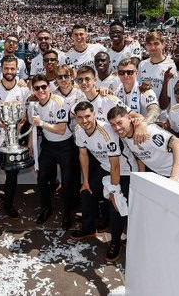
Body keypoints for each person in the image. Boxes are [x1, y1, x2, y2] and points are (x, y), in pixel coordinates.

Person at [71, 101, 137, 261]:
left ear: (94, 114)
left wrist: (114, 192)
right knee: (87, 192)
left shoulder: (107, 131)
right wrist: (85, 181)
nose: (84, 121)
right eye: (80, 117)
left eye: (88, 116)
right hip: (105, 168)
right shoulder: (79, 129)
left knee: (116, 206)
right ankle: (88, 229)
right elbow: (83, 155)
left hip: (124, 171)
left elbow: (115, 165)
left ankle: (115, 243)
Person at [0, 57, 31, 219]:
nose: (9, 72)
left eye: (12, 69)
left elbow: (26, 114)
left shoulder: (24, 90)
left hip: (14, 137)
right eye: (6, 68)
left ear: (17, 69)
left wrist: (17, 126)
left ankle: (8, 204)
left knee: (12, 173)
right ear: (1, 69)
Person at [27, 74, 76, 228]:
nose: (41, 90)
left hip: (66, 145)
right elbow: (32, 126)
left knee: (67, 182)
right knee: (42, 179)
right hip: (48, 145)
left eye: (44, 87)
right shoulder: (34, 104)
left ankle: (67, 214)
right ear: (33, 90)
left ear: (49, 87)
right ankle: (46, 208)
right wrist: (30, 143)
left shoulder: (59, 102)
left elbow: (61, 130)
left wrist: (42, 123)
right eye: (37, 88)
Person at [108, 105, 179, 183]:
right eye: (113, 125)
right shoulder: (124, 135)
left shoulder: (149, 132)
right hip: (161, 172)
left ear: (129, 118)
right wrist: (141, 175)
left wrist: (174, 177)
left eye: (120, 122)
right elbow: (139, 154)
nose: (117, 128)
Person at [112, 57, 160, 123]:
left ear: (136, 73)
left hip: (142, 128)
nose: (125, 75)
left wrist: (144, 124)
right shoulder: (117, 89)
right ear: (118, 74)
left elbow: (154, 110)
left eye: (130, 72)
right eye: (121, 72)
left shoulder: (144, 89)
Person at [138, 31, 176, 99]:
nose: (153, 47)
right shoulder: (142, 64)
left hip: (163, 109)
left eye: (156, 44)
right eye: (149, 44)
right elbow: (138, 86)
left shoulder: (172, 65)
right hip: (144, 108)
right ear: (146, 46)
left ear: (163, 45)